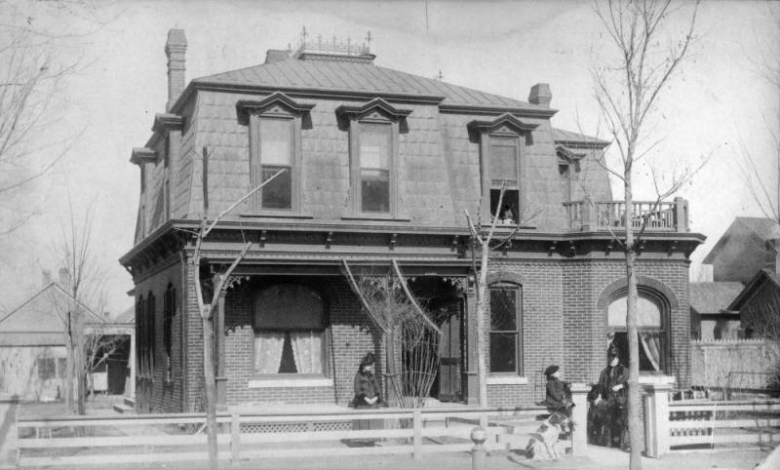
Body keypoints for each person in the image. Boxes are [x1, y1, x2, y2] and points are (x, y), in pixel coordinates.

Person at [595, 345, 629, 450]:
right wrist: (599, 396)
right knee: (608, 419)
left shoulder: (624, 371)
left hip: (621, 399)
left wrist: (620, 385)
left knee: (623, 421)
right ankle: (608, 441)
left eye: (614, 358)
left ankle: (624, 443)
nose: (612, 360)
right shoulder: (604, 372)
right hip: (609, 399)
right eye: (610, 358)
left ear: (618, 358)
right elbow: (600, 385)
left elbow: (631, 382)